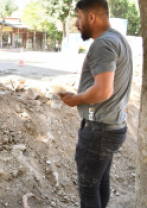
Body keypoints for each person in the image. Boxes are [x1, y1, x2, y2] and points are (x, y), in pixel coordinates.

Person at [58, 0, 133, 207]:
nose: (77, 23)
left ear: (92, 17)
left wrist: (76, 99)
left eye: (80, 18)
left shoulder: (103, 43)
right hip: (111, 127)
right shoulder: (118, 39)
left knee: (89, 189)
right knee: (100, 183)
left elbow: (103, 90)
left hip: (99, 131)